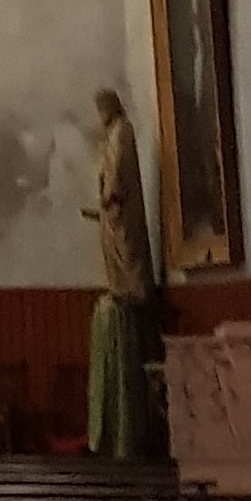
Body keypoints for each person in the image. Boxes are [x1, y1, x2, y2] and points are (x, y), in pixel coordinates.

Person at [86, 85, 157, 456]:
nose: (99, 114)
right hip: (112, 214)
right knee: (114, 252)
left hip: (120, 213)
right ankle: (121, 284)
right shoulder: (111, 134)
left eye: (101, 107)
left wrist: (108, 195)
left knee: (126, 251)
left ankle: (130, 286)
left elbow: (118, 173)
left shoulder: (123, 131)